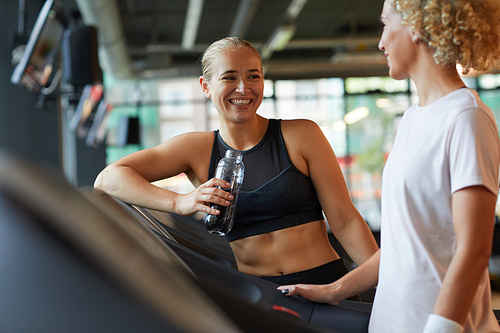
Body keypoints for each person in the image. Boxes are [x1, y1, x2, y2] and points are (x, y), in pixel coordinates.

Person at [278, 0, 500, 332]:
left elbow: (474, 250)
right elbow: (403, 244)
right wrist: (335, 290)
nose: (381, 41)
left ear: (416, 25)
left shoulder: (466, 117)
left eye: (385, 23)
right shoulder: (412, 118)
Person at [94, 37, 379, 286]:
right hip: (262, 296)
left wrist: (387, 282)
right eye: (229, 77)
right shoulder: (196, 148)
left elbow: (344, 220)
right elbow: (109, 178)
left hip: (325, 282)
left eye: (253, 76)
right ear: (206, 86)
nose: (243, 88)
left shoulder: (302, 134)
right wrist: (179, 202)